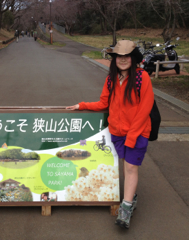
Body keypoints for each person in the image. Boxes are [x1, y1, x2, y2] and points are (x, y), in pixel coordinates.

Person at [66, 40, 154, 229]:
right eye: (118, 57)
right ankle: (131, 196)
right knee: (125, 165)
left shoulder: (142, 77)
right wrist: (81, 106)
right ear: (114, 59)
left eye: (126, 56)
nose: (122, 60)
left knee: (131, 167)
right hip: (117, 132)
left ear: (133, 58)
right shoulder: (111, 79)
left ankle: (126, 207)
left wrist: (132, 136)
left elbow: (144, 109)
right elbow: (103, 103)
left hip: (137, 132)